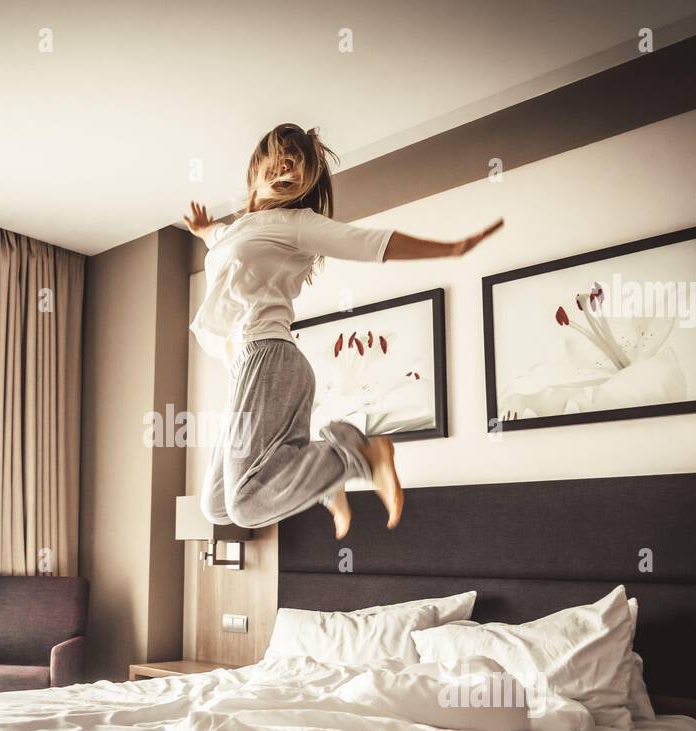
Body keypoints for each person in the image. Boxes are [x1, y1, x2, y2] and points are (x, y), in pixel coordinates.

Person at [185, 123, 503, 539]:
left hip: (269, 358)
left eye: (297, 164)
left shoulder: (296, 223)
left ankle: (362, 453)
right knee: (215, 504)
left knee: (244, 506)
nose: (287, 167)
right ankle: (327, 480)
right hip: (245, 367)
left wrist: (450, 249)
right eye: (281, 157)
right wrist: (202, 229)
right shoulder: (236, 231)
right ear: (256, 166)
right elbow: (218, 239)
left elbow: (370, 243)